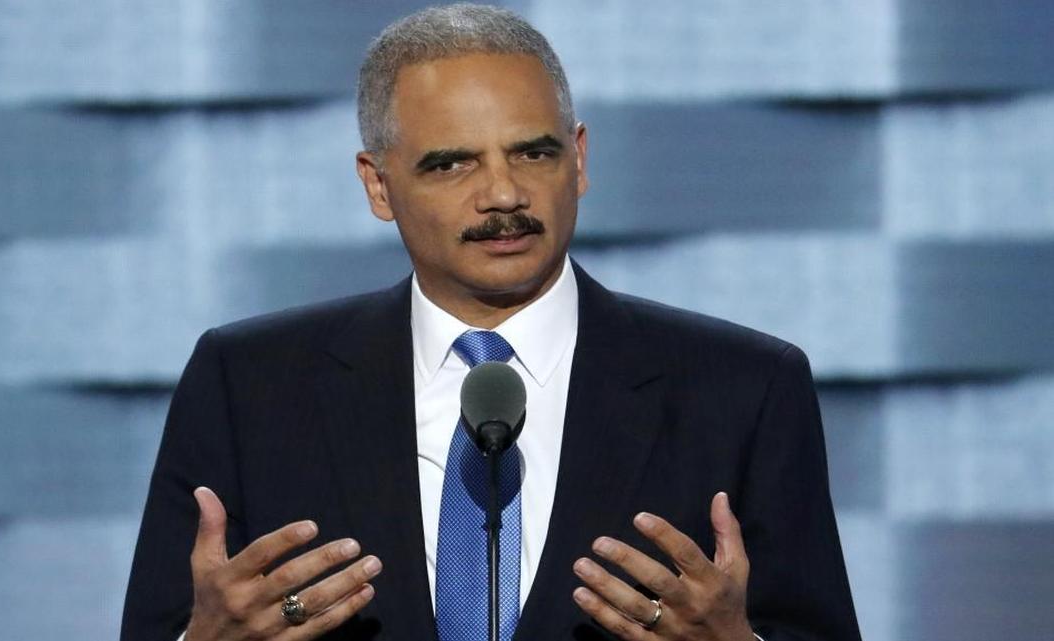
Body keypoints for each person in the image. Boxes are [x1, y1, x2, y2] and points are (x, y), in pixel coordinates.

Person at [121, 4, 861, 641]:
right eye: (452, 165)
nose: (503, 193)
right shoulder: (247, 382)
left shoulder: (743, 388)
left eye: (533, 153)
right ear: (378, 185)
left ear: (578, 159)